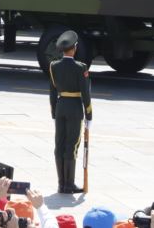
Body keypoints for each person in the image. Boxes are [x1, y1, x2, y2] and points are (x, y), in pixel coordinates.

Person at [47, 31, 91, 194]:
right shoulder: (81, 67)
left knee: (59, 144)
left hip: (60, 107)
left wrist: (54, 112)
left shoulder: (53, 66)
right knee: (71, 145)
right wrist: (89, 114)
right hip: (74, 107)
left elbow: (52, 92)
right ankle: (69, 184)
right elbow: (85, 93)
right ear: (74, 48)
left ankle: (61, 184)